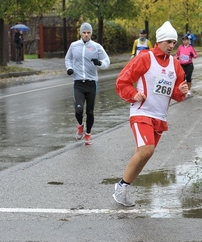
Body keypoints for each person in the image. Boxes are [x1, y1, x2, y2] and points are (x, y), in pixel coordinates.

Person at [113, 21, 189, 207]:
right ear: (160, 40)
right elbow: (122, 83)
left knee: (145, 153)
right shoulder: (145, 58)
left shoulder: (176, 65)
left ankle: (123, 189)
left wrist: (183, 91)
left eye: (174, 42)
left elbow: (177, 95)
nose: (172, 46)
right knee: (147, 149)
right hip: (141, 112)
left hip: (160, 117)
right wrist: (134, 94)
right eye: (169, 42)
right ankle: (121, 187)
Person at [65, 22, 110, 145]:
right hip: (78, 83)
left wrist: (100, 63)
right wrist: (69, 68)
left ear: (91, 33)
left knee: (89, 111)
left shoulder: (96, 46)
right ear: (80, 33)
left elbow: (107, 61)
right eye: (84, 32)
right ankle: (80, 125)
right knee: (78, 110)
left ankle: (88, 134)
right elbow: (68, 58)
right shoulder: (74, 46)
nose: (86, 35)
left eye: (88, 32)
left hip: (91, 83)